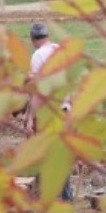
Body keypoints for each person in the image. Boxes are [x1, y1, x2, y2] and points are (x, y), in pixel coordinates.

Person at [25, 23, 73, 201]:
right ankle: (65, 201)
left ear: (32, 39)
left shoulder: (38, 56)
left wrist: (30, 118)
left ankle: (57, 202)